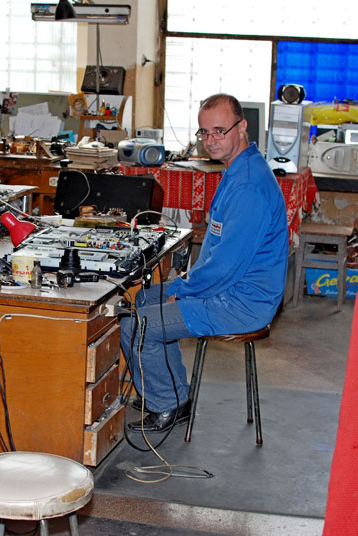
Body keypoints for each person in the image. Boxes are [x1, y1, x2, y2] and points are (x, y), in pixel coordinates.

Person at [121, 93, 289, 433]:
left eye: (219, 131)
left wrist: (185, 290)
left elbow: (225, 266)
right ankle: (170, 393)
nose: (211, 140)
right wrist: (185, 286)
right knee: (139, 299)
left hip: (241, 303)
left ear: (241, 127)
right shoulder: (237, 168)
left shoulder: (248, 186)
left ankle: (167, 405)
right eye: (204, 132)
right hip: (227, 289)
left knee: (137, 326)